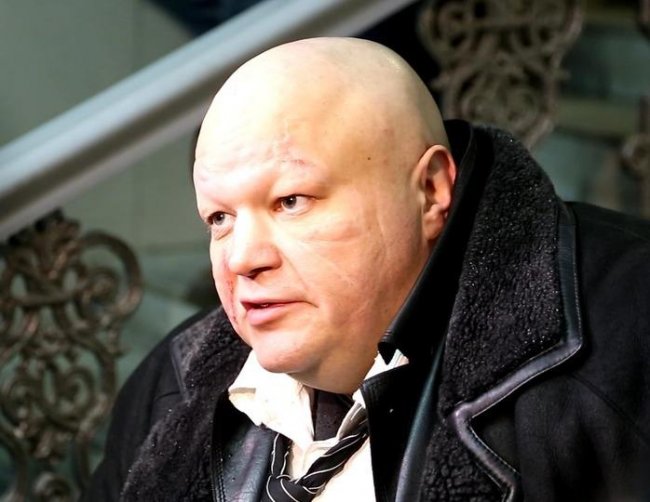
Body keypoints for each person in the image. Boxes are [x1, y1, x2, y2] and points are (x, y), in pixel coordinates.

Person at [83, 37, 650, 502]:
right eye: (220, 218)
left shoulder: (626, 338)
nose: (242, 259)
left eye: (291, 201)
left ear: (431, 190)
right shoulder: (175, 389)